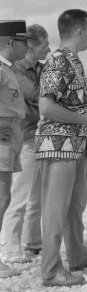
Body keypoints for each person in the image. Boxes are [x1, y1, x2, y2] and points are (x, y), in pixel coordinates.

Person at [35, 9, 87, 287]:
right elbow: (47, 106)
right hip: (58, 146)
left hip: (74, 145)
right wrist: (84, 119)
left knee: (74, 206)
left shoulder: (72, 62)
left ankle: (76, 255)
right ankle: (51, 270)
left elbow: (72, 103)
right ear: (79, 30)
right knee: (55, 209)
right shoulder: (59, 62)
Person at [3, 24, 49, 264]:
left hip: (40, 138)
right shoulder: (16, 70)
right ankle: (12, 250)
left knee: (37, 197)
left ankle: (33, 242)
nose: (49, 50)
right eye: (44, 45)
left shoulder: (40, 69)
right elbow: (38, 96)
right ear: (29, 45)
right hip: (25, 139)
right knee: (17, 196)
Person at [0, 20, 28, 278]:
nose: (27, 46)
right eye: (23, 41)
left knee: (5, 196)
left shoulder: (9, 70)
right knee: (1, 197)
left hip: (12, 135)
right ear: (10, 43)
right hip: (3, 137)